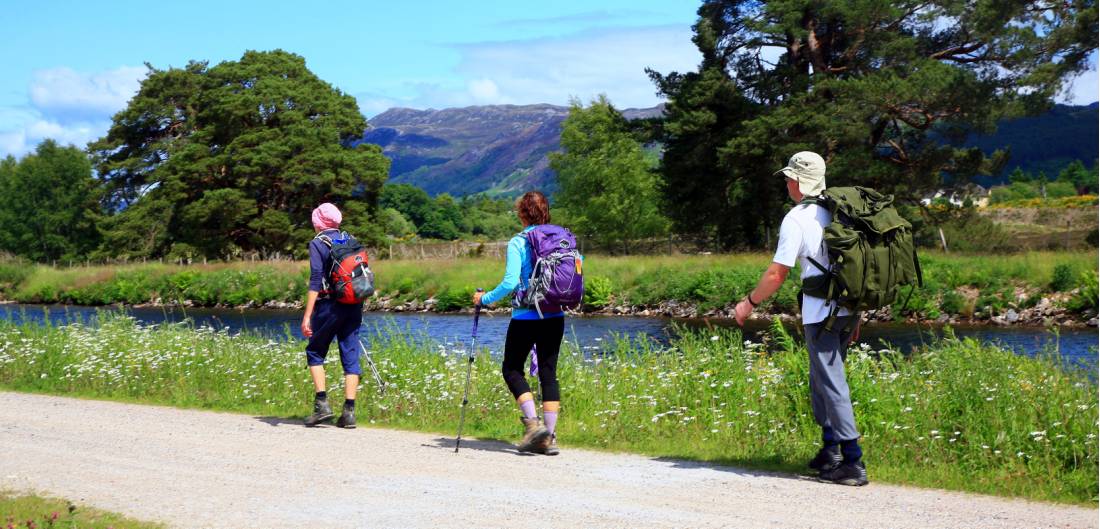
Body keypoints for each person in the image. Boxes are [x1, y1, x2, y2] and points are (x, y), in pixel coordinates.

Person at [733, 152, 867, 486]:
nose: (787, 183)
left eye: (790, 178)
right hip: (847, 309)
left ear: (799, 182)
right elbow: (856, 266)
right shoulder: (842, 212)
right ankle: (830, 451)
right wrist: (857, 314)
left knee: (831, 381)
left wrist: (748, 303)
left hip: (821, 313)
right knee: (820, 378)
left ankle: (853, 461)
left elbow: (777, 273)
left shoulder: (797, 219)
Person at [473, 191, 564, 455]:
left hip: (525, 316)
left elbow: (511, 282)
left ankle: (534, 426)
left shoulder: (518, 241)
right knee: (549, 373)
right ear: (546, 211)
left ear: (522, 213)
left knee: (512, 369)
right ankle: (550, 438)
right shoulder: (561, 239)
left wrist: (485, 299)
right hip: (555, 314)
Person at [301, 202, 363, 428]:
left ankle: (322, 405)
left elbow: (316, 278)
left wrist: (307, 315)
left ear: (318, 221)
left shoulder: (318, 243)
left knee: (315, 351)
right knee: (350, 354)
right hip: (354, 304)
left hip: (328, 305)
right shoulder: (350, 239)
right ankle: (349, 413)